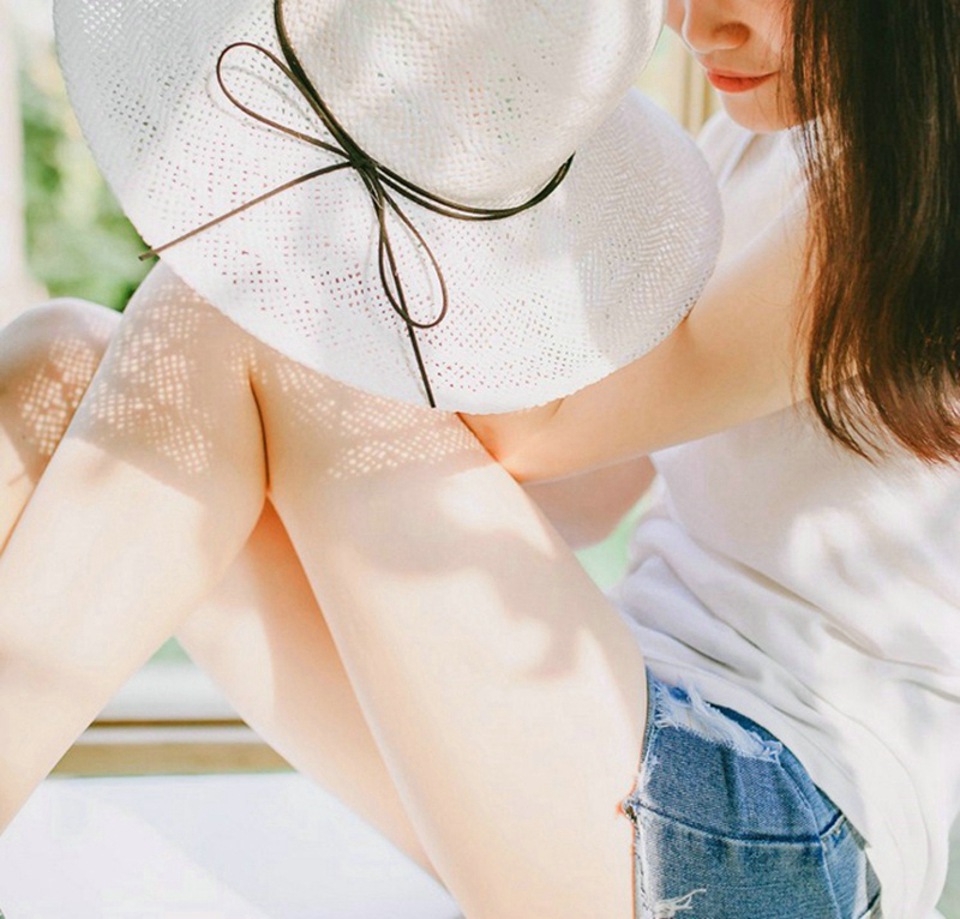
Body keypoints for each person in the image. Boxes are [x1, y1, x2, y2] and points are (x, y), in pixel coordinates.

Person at [0, 2, 957, 919]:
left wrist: (411, 152)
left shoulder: (922, 188)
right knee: (56, 362)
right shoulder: (751, 145)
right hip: (605, 752)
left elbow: (534, 432)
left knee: (228, 318)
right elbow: (574, 494)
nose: (698, 20)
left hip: (771, 845)